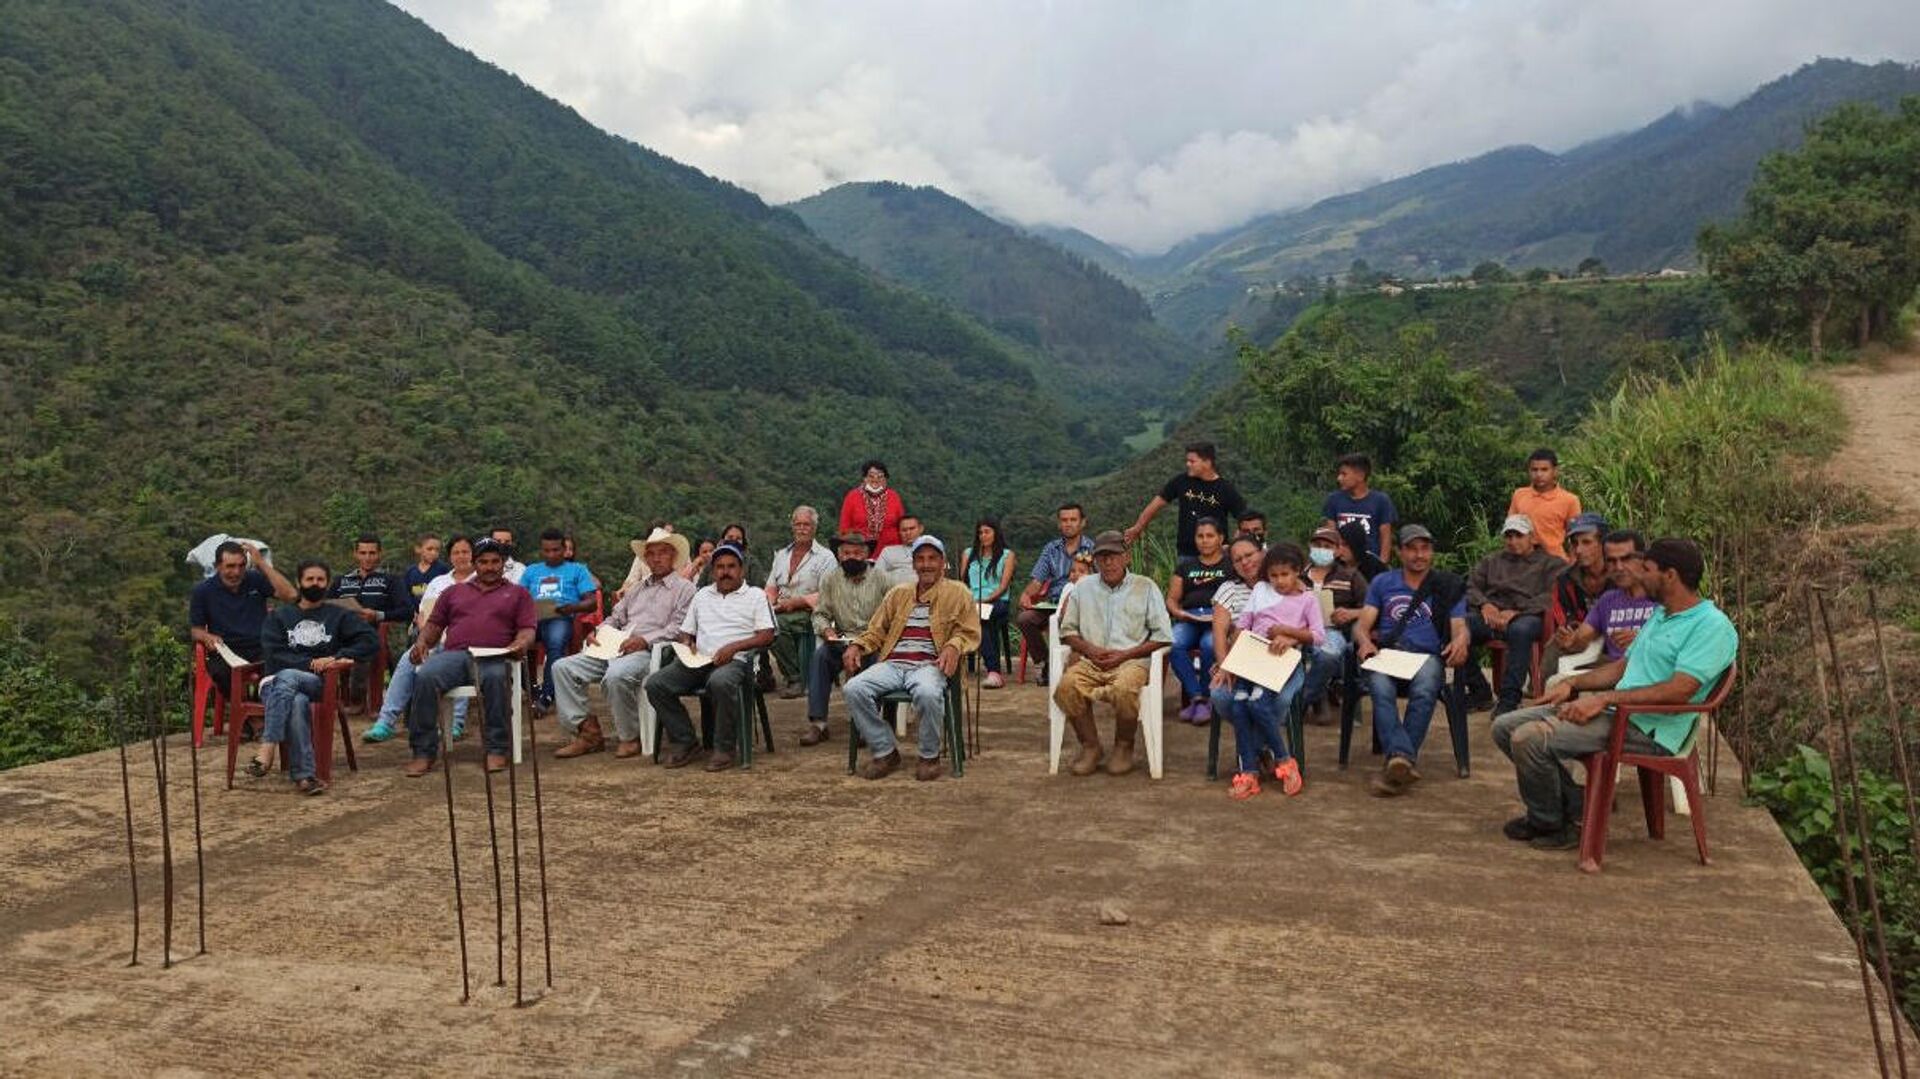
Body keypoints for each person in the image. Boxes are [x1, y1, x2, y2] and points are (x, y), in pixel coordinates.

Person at [1491, 538, 1737, 851]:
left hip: (1651, 729)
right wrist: (1573, 684)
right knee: (1504, 728)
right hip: (1620, 714)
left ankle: (1552, 824)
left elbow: (1680, 689)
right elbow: (1623, 667)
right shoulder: (1661, 615)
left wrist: (1604, 699)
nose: (1637, 575)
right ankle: (1573, 805)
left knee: (1528, 739)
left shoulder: (1711, 626)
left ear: (1670, 575)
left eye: (1646, 569)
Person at [843, 535, 981, 780]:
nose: (926, 564)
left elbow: (969, 631)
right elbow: (876, 630)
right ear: (914, 564)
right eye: (920, 559)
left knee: (927, 693)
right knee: (854, 688)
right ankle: (885, 750)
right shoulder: (899, 593)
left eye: (932, 559)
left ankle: (929, 756)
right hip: (894, 663)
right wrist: (857, 646)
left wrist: (954, 645)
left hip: (931, 664)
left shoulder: (959, 593)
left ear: (943, 563)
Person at [551, 528, 697, 760]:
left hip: (652, 651)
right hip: (617, 646)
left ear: (673, 556)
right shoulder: (636, 589)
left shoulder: (685, 589)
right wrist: (600, 631)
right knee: (562, 668)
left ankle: (629, 737)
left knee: (616, 675)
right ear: (645, 559)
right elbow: (615, 617)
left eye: (662, 553)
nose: (656, 558)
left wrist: (644, 640)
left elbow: (679, 628)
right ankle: (586, 732)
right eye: (651, 554)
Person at [1352, 525, 1469, 798]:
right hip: (1388, 653)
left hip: (1426, 656)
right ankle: (1402, 759)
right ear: (1399, 552)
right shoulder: (1383, 583)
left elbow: (1459, 626)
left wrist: (1461, 639)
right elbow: (1361, 625)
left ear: (1432, 552)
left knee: (1427, 687)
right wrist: (1365, 641)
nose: (1419, 555)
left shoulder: (1447, 585)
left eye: (1425, 548)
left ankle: (1398, 759)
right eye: (1412, 548)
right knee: (1380, 689)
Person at [404, 538, 536, 777]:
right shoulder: (453, 592)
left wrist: (521, 643)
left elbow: (528, 629)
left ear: (503, 563)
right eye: (483, 562)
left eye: (495, 562)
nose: (490, 567)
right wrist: (421, 643)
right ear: (475, 564)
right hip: (456, 655)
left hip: (495, 656)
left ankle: (497, 748)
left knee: (497, 678)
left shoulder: (518, 594)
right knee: (425, 676)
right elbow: (434, 625)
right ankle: (423, 751)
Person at [246, 560, 378, 795]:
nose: (315, 584)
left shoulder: (338, 616)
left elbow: (370, 641)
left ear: (327, 584)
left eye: (320, 580)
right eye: (309, 579)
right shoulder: (280, 616)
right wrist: (307, 663)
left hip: (317, 683)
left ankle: (267, 747)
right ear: (299, 582)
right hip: (275, 684)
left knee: (290, 680)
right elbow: (274, 653)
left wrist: (339, 656)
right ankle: (305, 777)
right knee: (295, 699)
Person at [643, 544, 777, 771]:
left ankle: (724, 748)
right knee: (656, 684)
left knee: (720, 682)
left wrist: (734, 647)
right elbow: (686, 632)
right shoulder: (702, 595)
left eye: (731, 567)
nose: (725, 572)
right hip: (699, 660)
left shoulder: (755, 596)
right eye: (720, 567)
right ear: (713, 571)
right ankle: (685, 740)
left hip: (737, 662)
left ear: (741, 570)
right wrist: (687, 643)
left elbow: (766, 636)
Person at [1053, 531, 1174, 777]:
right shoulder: (1083, 587)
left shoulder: (1146, 587)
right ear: (1095, 560)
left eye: (1114, 556)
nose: (1108, 562)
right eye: (1102, 557)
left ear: (1126, 557)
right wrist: (1090, 649)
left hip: (1131, 661)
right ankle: (1090, 745)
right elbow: (1067, 631)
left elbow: (1162, 636)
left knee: (1124, 689)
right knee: (1066, 687)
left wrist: (1126, 654)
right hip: (1091, 660)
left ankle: (1124, 745)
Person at [1213, 544, 1324, 800]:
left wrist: (1289, 634)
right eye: (1274, 575)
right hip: (1250, 659)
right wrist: (1230, 660)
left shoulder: (1307, 599)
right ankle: (1249, 773)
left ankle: (1285, 761)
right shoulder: (1261, 591)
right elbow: (1243, 625)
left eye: (1285, 575)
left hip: (1279, 663)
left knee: (1257, 705)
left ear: (1298, 572)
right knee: (1240, 705)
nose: (1279, 581)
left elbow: (1318, 636)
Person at [364, 535, 476, 744]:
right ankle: (385, 722)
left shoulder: (480, 581)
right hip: (435, 639)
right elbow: (425, 614)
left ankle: (456, 723)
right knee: (408, 658)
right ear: (450, 556)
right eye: (456, 552)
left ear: (473, 554)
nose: (461, 556)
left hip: (466, 642)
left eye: (466, 552)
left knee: (459, 659)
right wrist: (424, 628)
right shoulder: (439, 582)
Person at [1460, 514, 1561, 716]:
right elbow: (1470, 585)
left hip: (1528, 616)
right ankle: (1480, 690)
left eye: (1518, 536)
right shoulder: (1492, 561)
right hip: (1492, 615)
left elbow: (1554, 595)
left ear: (1532, 538)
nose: (1512, 541)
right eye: (1508, 536)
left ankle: (1509, 699)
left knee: (1520, 630)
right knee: (1457, 626)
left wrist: (1518, 611)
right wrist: (1485, 604)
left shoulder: (1550, 563)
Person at [188, 540, 296, 719]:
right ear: (217, 566)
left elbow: (291, 596)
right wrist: (207, 636)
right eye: (230, 566)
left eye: (241, 566)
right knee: (222, 673)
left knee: (285, 663)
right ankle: (246, 717)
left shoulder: (254, 579)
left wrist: (261, 564)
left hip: (260, 645)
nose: (236, 572)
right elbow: (196, 630)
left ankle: (268, 710)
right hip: (226, 650)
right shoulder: (203, 591)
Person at [802, 533, 891, 745]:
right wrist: (827, 632)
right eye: (847, 553)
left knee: (874, 659)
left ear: (867, 554)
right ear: (839, 556)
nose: (852, 557)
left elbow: (893, 613)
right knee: (820, 657)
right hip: (841, 640)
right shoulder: (830, 579)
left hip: (872, 640)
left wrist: (874, 637)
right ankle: (818, 723)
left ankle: (865, 724)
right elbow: (821, 613)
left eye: (858, 553)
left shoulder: (882, 578)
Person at [1547, 530, 1657, 686]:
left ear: (1643, 560)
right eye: (1611, 561)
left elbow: (1680, 642)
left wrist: (1642, 639)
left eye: (1626, 559)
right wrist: (1570, 640)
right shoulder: (1607, 600)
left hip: (1650, 679)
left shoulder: (1662, 598)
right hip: (1611, 678)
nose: (1618, 567)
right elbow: (1581, 638)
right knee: (1557, 685)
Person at [1122, 441, 1247, 558]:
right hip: (1186, 554)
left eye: (1192, 461)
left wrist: (1232, 546)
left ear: (1207, 462)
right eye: (1187, 461)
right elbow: (1156, 504)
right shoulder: (1181, 481)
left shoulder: (1225, 489)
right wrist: (1138, 528)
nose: (1188, 464)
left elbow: (1245, 520)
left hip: (1217, 555)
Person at [521, 528, 600, 711]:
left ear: (564, 550)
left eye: (556, 550)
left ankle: (547, 695)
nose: (551, 554)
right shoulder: (532, 570)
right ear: (541, 550)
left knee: (556, 643)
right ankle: (531, 688)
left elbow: (591, 602)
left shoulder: (577, 570)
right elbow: (519, 597)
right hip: (532, 618)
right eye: (546, 551)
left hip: (560, 617)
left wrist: (570, 608)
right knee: (510, 642)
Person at [1016, 503, 1093, 685]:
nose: (1068, 524)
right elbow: (1037, 581)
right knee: (1025, 619)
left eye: (1073, 520)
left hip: (1082, 606)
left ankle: (1074, 666)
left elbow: (1097, 582)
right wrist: (1027, 594)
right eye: (1064, 520)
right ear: (1059, 524)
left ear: (1082, 523)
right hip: (1053, 604)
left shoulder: (1092, 548)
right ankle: (1045, 663)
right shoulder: (1051, 549)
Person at [764, 505, 836, 698]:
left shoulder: (826, 557)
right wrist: (770, 605)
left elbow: (827, 593)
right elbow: (771, 586)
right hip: (781, 607)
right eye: (798, 524)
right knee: (758, 621)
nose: (802, 528)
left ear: (814, 528)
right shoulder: (781, 555)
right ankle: (761, 675)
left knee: (774, 625)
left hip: (809, 611)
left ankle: (795, 678)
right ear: (792, 526)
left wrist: (795, 602)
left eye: (807, 524)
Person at [1165, 516, 1232, 723]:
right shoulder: (1186, 566)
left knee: (1209, 644)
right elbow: (1172, 599)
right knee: (1173, 642)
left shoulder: (1230, 565)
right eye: (1200, 536)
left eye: (1210, 536)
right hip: (1190, 617)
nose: (1204, 540)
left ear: (1220, 538)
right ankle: (1198, 699)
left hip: (1219, 620)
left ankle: (1209, 696)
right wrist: (1180, 613)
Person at [1302, 525, 1366, 723]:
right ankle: (1319, 696)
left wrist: (1351, 613)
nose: (1322, 549)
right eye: (1317, 545)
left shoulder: (1351, 577)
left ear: (1338, 549)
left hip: (1332, 631)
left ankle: (1300, 702)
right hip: (1297, 630)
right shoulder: (1296, 575)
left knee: (1329, 656)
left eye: (1327, 546)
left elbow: (1373, 608)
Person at [1543, 512, 1611, 675]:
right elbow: (1562, 617)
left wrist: (1594, 630)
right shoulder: (1564, 579)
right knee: (1555, 646)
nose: (1578, 550)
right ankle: (1543, 693)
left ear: (1603, 544)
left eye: (1586, 542)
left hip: (1614, 638)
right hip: (1579, 640)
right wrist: (1568, 630)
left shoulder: (1620, 574)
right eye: (1574, 543)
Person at [960, 517, 1018, 689]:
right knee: (974, 618)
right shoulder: (968, 554)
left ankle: (993, 671)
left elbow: (1003, 585)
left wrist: (984, 600)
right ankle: (993, 671)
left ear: (995, 533)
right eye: (980, 532)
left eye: (987, 532)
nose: (983, 536)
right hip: (972, 603)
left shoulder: (1007, 555)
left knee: (978, 618)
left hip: (997, 601)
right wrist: (969, 601)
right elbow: (963, 582)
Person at [1507, 448, 1582, 560]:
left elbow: (1576, 538)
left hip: (1554, 563)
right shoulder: (1519, 495)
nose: (1539, 474)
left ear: (1555, 471)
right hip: (1523, 563)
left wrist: (1572, 567)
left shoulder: (1569, 500)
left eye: (1544, 469)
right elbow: (1510, 530)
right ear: (1529, 471)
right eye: (1534, 470)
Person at [1321, 453, 1396, 561]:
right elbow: (1330, 534)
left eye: (1344, 474)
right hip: (1340, 563)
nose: (1339, 478)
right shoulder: (1333, 500)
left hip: (1369, 563)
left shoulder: (1381, 501)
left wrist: (1382, 565)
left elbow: (1385, 538)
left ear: (1360, 476)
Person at [839, 459, 907, 553]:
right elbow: (844, 527)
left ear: (885, 479)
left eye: (880, 476)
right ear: (864, 478)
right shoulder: (852, 496)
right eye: (871, 476)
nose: (875, 480)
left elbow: (903, 525)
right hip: (860, 552)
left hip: (891, 551)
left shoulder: (894, 497)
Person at [401, 532, 449, 620]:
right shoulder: (411, 572)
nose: (433, 553)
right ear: (418, 549)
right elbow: (406, 595)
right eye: (429, 549)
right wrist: (411, 612)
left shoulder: (442, 569)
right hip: (414, 617)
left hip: (436, 617)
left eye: (437, 550)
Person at [873, 514, 922, 587]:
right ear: (899, 532)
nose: (908, 533)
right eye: (904, 530)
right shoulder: (888, 551)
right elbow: (876, 577)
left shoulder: (932, 550)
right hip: (896, 592)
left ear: (920, 529)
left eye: (912, 529)